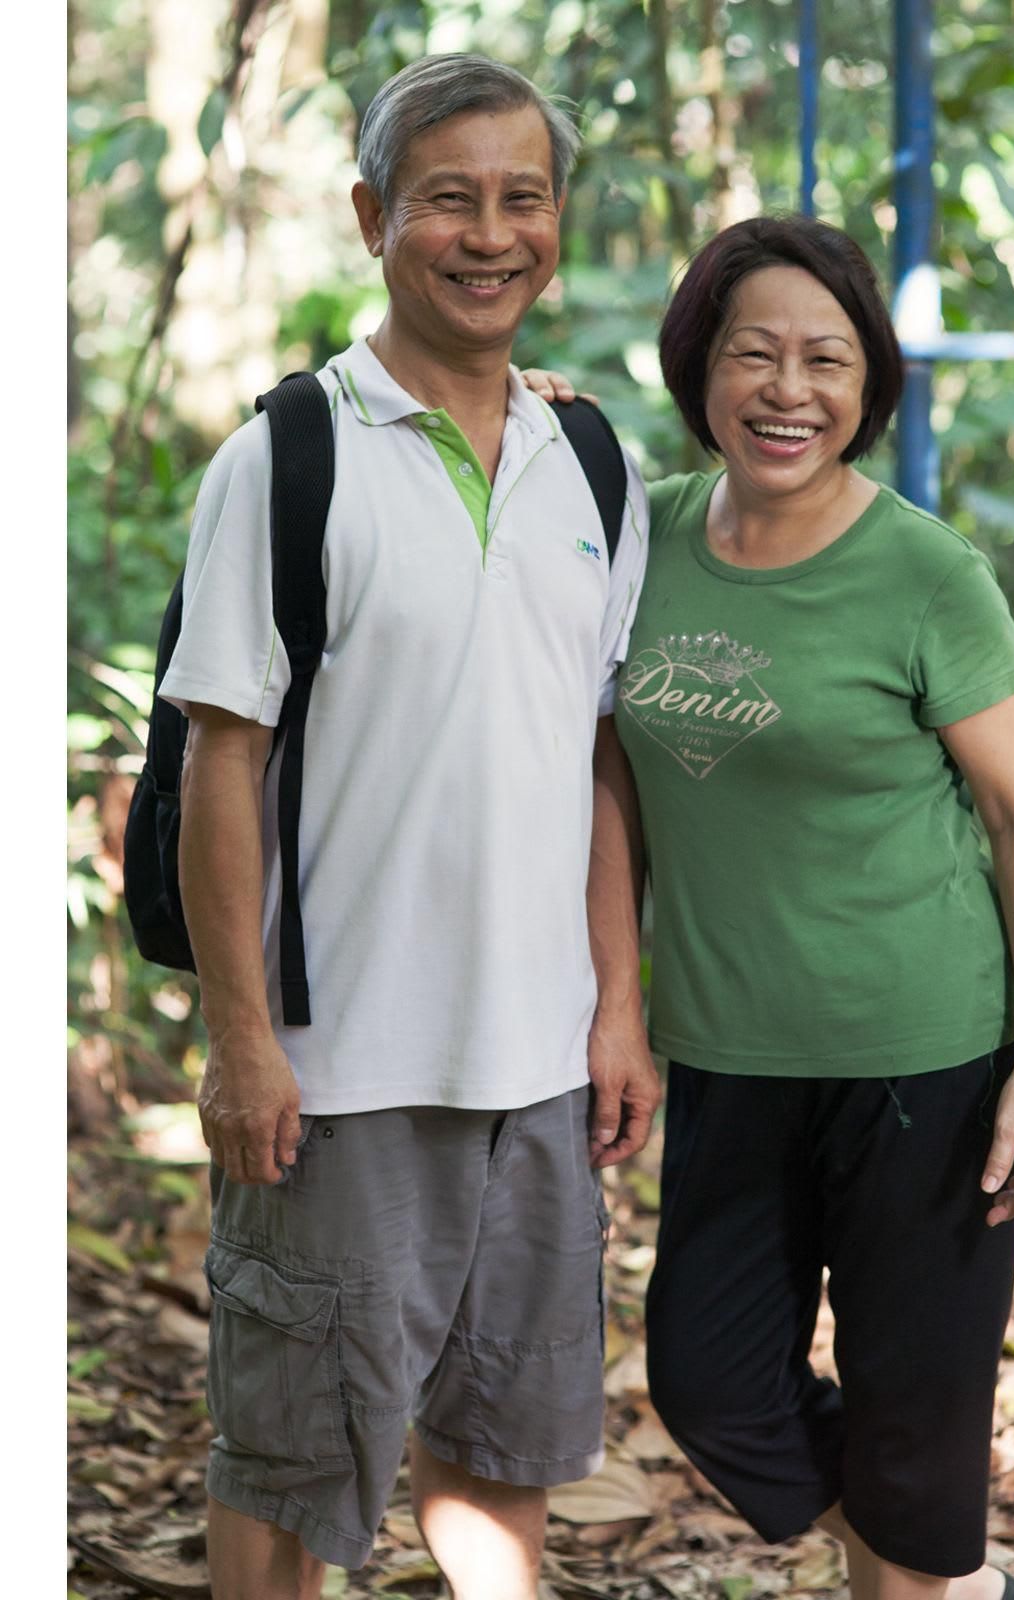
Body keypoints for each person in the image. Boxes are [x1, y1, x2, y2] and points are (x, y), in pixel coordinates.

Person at [160, 54, 658, 1600]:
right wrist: (244, 1043)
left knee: (502, 1452)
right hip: (341, 1069)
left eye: (523, 198)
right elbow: (218, 767)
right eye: (449, 198)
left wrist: (618, 1012)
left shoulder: (593, 457)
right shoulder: (288, 457)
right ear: (376, 216)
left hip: (541, 1066)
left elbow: (594, 754)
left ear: (558, 220)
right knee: (297, 1470)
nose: (490, 233)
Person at [526, 214, 1014, 1600]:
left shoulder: (925, 572)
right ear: (698, 366)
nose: (790, 389)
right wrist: (519, 414)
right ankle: (944, 1572)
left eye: (827, 359)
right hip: (725, 1056)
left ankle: (920, 1571)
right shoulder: (635, 536)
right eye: (754, 353)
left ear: (869, 383)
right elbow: (611, 785)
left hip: (926, 1060)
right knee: (710, 1386)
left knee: (916, 1413)